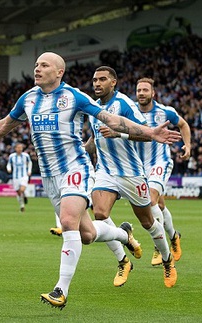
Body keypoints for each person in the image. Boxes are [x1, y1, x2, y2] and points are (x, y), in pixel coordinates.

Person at [0, 52, 181, 309]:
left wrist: (151, 131)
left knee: (67, 222)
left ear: (59, 72)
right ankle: (123, 235)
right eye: (36, 64)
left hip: (76, 169)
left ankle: (60, 290)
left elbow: (111, 119)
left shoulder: (74, 97)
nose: (37, 69)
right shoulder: (28, 99)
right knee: (86, 234)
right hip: (50, 176)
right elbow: (4, 125)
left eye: (44, 65)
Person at [85, 66, 177, 288]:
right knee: (99, 213)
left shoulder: (124, 104)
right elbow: (94, 138)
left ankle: (167, 260)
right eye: (95, 80)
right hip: (106, 171)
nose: (97, 83)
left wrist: (119, 132)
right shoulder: (92, 107)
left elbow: (147, 135)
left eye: (102, 79)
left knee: (148, 222)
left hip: (131, 173)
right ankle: (123, 259)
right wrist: (80, 148)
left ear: (113, 82)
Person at [135, 77, 191, 266]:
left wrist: (187, 145)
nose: (141, 93)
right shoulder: (131, 111)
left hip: (160, 161)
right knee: (159, 205)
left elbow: (183, 124)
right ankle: (174, 236)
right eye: (139, 90)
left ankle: (160, 247)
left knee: (150, 200)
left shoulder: (165, 112)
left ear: (153, 93)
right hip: (138, 166)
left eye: (145, 90)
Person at [6, 142, 32, 212]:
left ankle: (24, 195)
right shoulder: (12, 156)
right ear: (15, 148)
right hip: (15, 176)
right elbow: (8, 164)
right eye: (18, 147)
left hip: (24, 176)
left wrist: (29, 170)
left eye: (21, 147)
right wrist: (9, 169)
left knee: (22, 190)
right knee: (18, 192)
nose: (20, 149)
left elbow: (30, 163)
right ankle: (22, 205)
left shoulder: (26, 155)